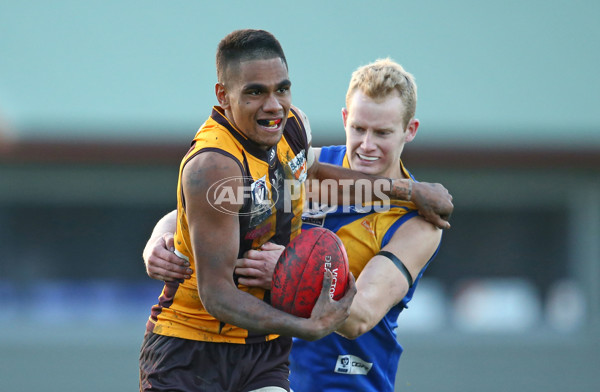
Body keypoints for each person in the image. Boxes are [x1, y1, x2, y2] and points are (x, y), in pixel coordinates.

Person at [140, 28, 452, 392]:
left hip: (343, 379)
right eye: (358, 128)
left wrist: (291, 272)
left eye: (382, 133)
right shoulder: (297, 159)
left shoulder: (416, 223)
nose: (367, 146)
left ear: (409, 131)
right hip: (258, 355)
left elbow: (360, 317)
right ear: (343, 118)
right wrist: (159, 239)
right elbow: (211, 211)